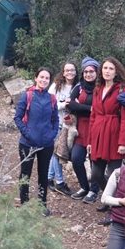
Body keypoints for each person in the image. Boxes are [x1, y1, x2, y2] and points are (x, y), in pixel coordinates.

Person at [87, 58, 125, 213]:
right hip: (98, 135)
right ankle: (110, 199)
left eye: (110, 68)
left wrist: (123, 143)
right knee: (96, 174)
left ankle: (115, 208)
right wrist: (90, 141)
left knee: (114, 175)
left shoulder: (122, 90)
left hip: (114, 136)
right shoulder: (97, 89)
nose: (107, 71)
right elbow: (93, 116)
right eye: (105, 68)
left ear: (116, 71)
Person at [13, 67, 60, 216]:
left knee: (43, 174)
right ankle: (25, 204)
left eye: (47, 78)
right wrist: (28, 134)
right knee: (25, 174)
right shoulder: (27, 95)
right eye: (41, 77)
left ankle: (41, 205)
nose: (44, 80)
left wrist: (52, 135)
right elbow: (18, 118)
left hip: (46, 144)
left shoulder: (52, 98)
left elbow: (55, 119)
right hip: (27, 143)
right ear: (36, 78)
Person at [66, 57, 99, 201]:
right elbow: (70, 105)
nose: (88, 74)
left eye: (91, 71)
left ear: (97, 72)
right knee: (76, 158)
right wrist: (90, 108)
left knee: (95, 161)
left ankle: (94, 190)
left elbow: (99, 110)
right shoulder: (79, 87)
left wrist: (82, 107)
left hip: (96, 129)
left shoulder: (101, 88)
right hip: (80, 129)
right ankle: (84, 187)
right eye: (86, 71)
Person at [47, 62, 78, 196]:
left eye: (72, 70)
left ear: (76, 72)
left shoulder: (78, 87)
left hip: (69, 125)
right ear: (63, 72)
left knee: (57, 152)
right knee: (57, 153)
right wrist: (63, 104)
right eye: (67, 70)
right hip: (56, 122)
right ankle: (59, 181)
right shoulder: (56, 86)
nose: (70, 72)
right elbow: (48, 103)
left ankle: (48, 178)